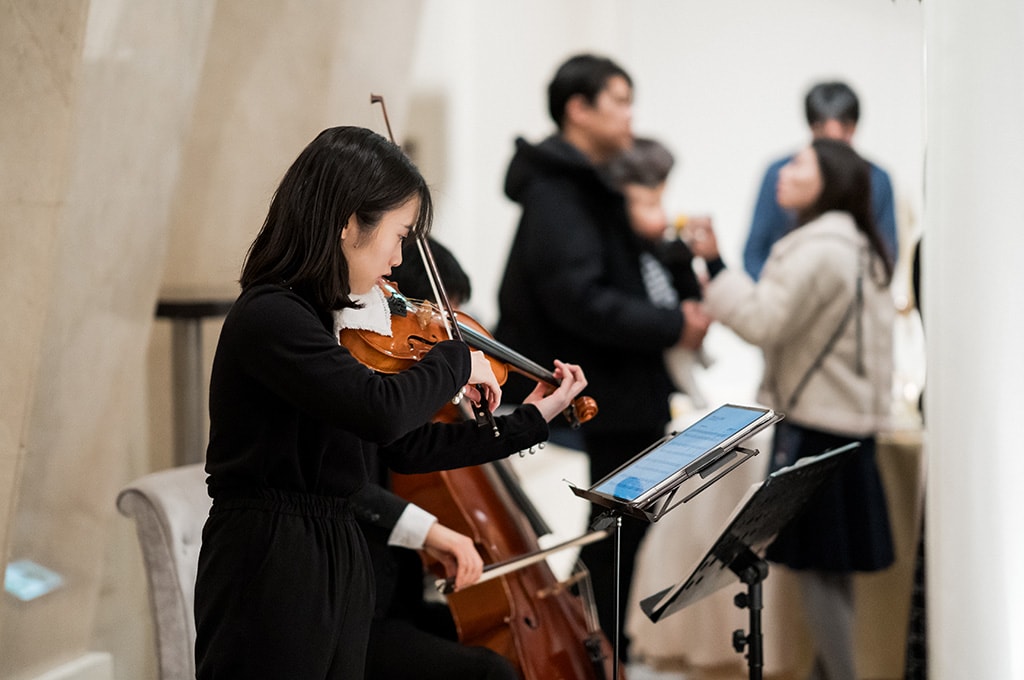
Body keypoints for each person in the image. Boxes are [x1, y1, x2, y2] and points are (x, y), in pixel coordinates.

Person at [193, 126, 588, 679]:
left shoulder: (329, 322)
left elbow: (404, 444)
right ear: (348, 222)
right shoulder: (271, 316)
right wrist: (454, 358)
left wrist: (530, 419)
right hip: (272, 557)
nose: (400, 259)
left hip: (336, 549)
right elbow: (380, 410)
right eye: (399, 235)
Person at [495, 54, 711, 662]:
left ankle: (592, 647)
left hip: (620, 387)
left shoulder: (586, 182)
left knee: (619, 532)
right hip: (600, 390)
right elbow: (578, 298)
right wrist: (672, 325)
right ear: (578, 109)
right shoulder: (558, 192)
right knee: (613, 535)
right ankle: (584, 650)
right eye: (619, 100)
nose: (630, 114)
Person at [689, 138, 896, 680]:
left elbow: (763, 322)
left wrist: (714, 265)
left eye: (800, 163)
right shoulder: (858, 244)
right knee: (832, 573)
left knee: (820, 572)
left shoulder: (817, 249)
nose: (784, 170)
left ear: (829, 181)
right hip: (847, 427)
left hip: (817, 429)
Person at [359, 238, 518, 680]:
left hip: (399, 602)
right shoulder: (366, 391)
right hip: (361, 613)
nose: (447, 341)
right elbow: (353, 486)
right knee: (491, 672)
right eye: (439, 325)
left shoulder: (411, 403)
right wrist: (431, 532)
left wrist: (531, 420)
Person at [743, 81, 899, 280]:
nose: (832, 150)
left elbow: (887, 254)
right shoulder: (780, 173)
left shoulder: (876, 179)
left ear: (852, 128)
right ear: (812, 128)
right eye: (823, 136)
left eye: (842, 133)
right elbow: (754, 253)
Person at [604, 136, 711, 407]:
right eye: (651, 205)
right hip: (626, 390)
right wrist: (677, 323)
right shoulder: (612, 253)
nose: (662, 216)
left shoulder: (658, 247)